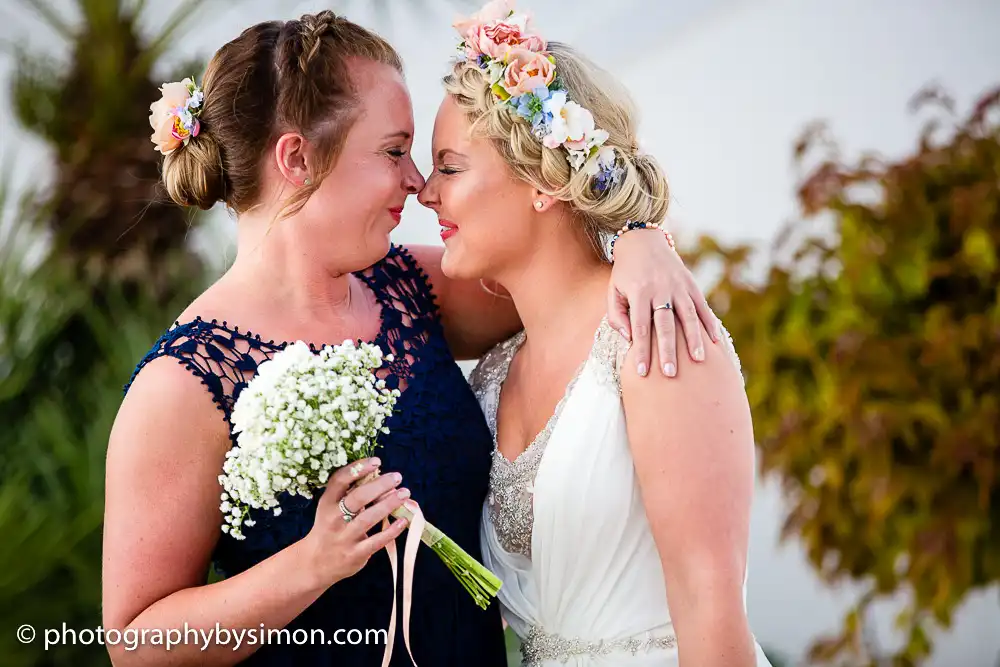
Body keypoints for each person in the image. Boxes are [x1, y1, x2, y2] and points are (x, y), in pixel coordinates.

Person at [101, 10, 717, 667]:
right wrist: (310, 564)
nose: (417, 181)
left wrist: (640, 240)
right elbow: (135, 640)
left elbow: (559, 268)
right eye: (394, 150)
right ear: (298, 157)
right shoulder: (184, 381)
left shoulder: (409, 288)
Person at [419, 2, 774, 665]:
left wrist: (642, 236)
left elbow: (709, 605)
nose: (425, 193)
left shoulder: (653, 335)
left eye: (449, 166)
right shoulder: (493, 371)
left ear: (539, 182)